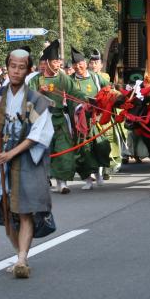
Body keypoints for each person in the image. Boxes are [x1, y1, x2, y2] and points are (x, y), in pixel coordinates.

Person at [0, 47, 55, 279]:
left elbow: (38, 135)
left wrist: (12, 154)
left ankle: (22, 259)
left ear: (28, 70)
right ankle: (19, 253)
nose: (16, 71)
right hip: (1, 160)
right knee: (5, 209)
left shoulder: (36, 100)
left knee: (24, 211)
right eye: (13, 66)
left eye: (22, 67)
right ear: (7, 67)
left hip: (25, 161)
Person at [28, 40, 87, 194]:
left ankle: (62, 183)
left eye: (59, 61)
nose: (58, 64)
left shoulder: (62, 78)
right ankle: (43, 181)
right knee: (43, 153)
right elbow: (27, 102)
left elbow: (75, 92)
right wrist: (40, 92)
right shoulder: (36, 80)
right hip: (41, 122)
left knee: (65, 151)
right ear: (46, 62)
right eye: (55, 61)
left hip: (59, 120)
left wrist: (87, 100)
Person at [70, 47, 111, 190]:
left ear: (85, 63)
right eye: (74, 64)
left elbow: (109, 90)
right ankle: (88, 179)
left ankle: (99, 173)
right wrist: (79, 108)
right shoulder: (70, 81)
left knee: (102, 146)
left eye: (80, 63)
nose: (78, 66)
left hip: (96, 120)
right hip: (79, 123)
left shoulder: (96, 77)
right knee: (84, 151)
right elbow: (65, 99)